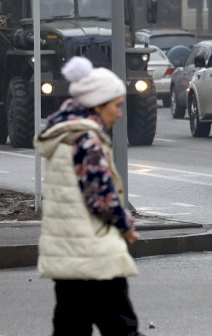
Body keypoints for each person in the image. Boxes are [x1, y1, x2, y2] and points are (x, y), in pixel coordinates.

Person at [34, 56, 142, 336]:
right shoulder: (87, 140)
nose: (119, 113)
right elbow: (100, 196)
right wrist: (125, 225)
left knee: (70, 327)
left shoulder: (63, 134)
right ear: (99, 104)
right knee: (121, 327)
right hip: (93, 254)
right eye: (116, 106)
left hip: (67, 254)